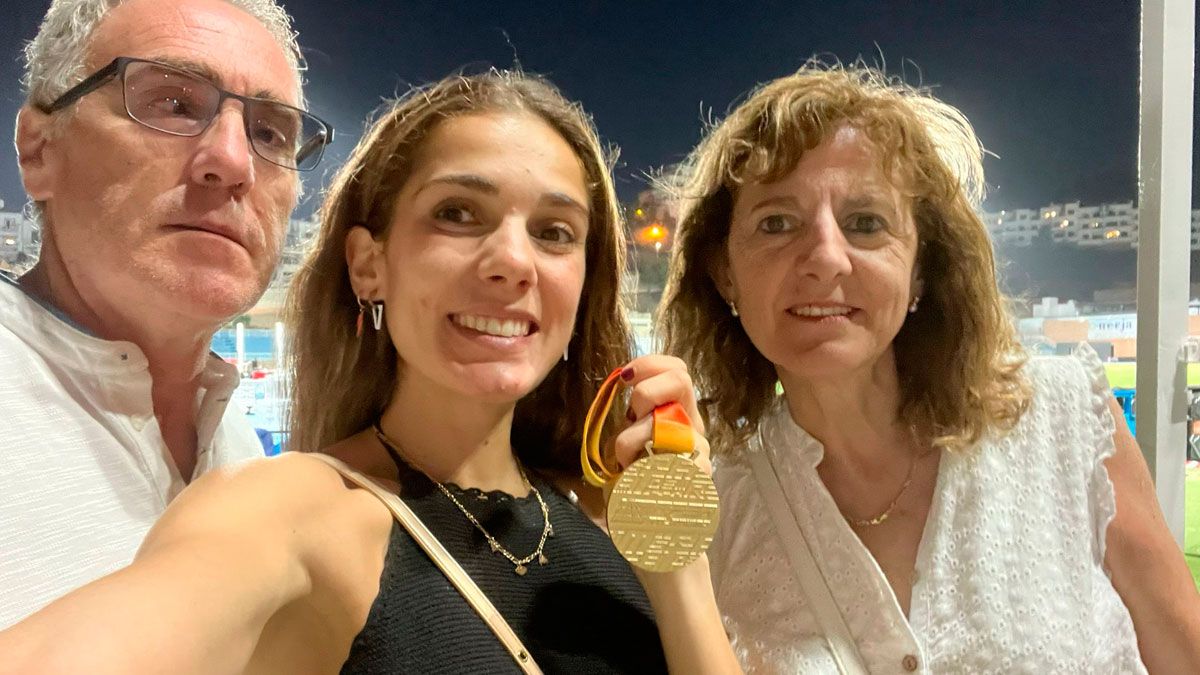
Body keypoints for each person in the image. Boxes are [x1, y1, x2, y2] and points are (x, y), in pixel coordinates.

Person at [0, 69, 739, 675]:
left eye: (553, 232)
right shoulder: (299, 512)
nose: (514, 261)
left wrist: (677, 564)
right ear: (369, 264)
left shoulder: (599, 506)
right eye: (458, 213)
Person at [658, 61, 1200, 674]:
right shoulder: (714, 506)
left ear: (920, 271)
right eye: (776, 222)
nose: (825, 258)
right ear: (725, 272)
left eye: (866, 223)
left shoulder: (1065, 421)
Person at [0, 0, 333, 628]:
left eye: (270, 133)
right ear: (38, 151)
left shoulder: (242, 455)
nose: (232, 162)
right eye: (173, 103)